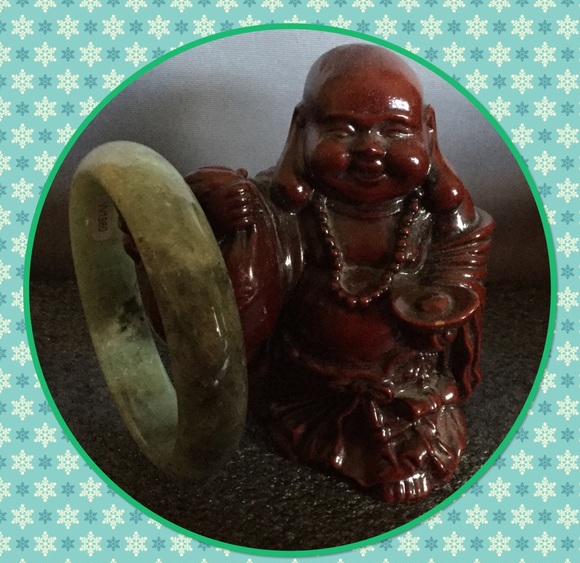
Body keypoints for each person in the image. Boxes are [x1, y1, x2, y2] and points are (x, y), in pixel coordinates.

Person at [136, 44, 494, 502]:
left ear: (428, 130)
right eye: (343, 130)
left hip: (408, 385)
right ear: (301, 127)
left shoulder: (436, 216)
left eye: (395, 130)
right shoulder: (284, 212)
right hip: (305, 387)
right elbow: (225, 311)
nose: (370, 148)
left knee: (419, 438)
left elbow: (460, 273)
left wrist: (441, 303)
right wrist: (225, 224)